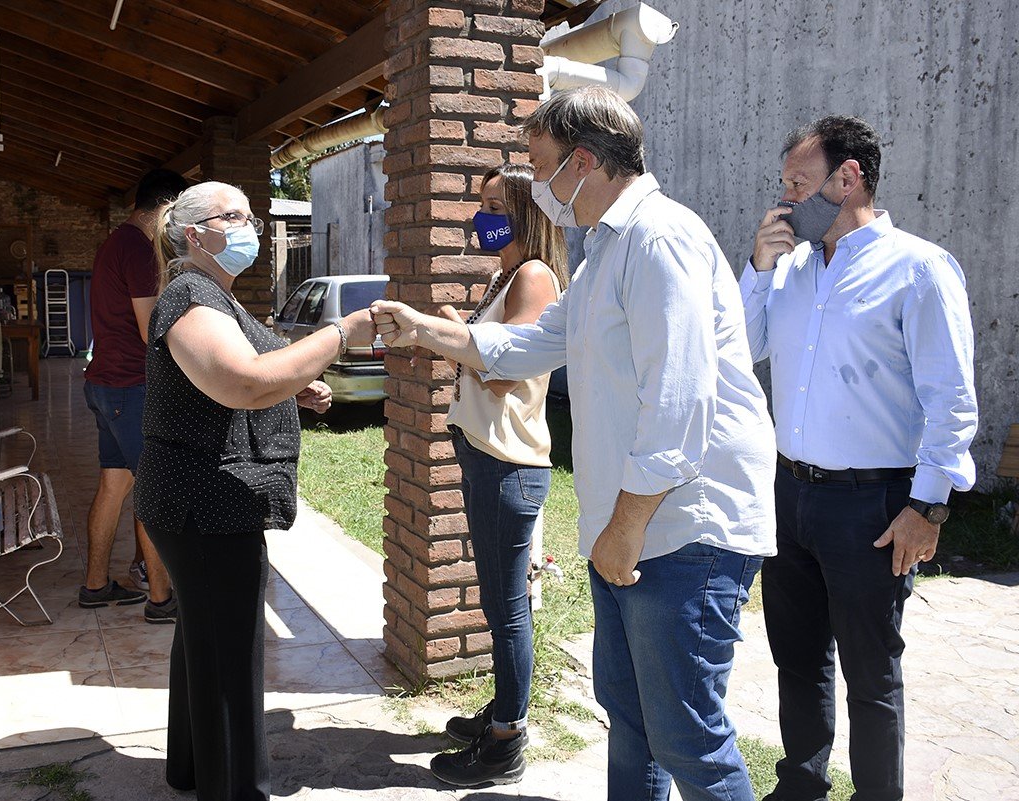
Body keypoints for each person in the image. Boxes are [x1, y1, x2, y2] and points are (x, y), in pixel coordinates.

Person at [372, 85, 777, 801]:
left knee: (687, 736)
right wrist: (426, 330)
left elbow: (679, 401)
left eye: (542, 162)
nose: (536, 184)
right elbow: (532, 343)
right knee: (631, 719)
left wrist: (624, 528)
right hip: (629, 532)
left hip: (682, 531)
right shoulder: (600, 257)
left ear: (583, 162)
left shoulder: (661, 238)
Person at [742, 116, 977, 801]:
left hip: (871, 506)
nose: (785, 199)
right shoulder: (785, 268)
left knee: (872, 675)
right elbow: (740, 346)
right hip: (789, 493)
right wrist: (757, 267)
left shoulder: (919, 268)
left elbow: (952, 398)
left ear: (849, 180)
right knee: (797, 657)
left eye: (799, 183)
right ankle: (801, 785)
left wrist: (927, 505)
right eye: (783, 184)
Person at [133, 181, 377, 800]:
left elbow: (234, 372)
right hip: (203, 502)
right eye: (235, 216)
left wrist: (293, 387)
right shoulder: (191, 293)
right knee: (231, 657)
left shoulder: (213, 295)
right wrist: (340, 335)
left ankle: (191, 768)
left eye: (253, 215)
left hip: (202, 500)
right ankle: (236, 790)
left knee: (203, 638)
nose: (252, 226)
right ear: (196, 233)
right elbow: (238, 381)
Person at [428, 163, 569, 787]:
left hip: (509, 463)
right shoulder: (505, 276)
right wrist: (464, 336)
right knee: (494, 598)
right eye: (480, 204)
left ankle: (508, 735)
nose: (479, 218)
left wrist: (456, 334)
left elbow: (504, 372)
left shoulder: (534, 276)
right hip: (485, 452)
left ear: (524, 214)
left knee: (508, 606)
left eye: (492, 206)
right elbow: (482, 359)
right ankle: (502, 709)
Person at [79, 168, 186, 623]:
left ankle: (95, 585)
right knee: (153, 490)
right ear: (165, 207)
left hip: (104, 382)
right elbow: (150, 331)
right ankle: (161, 598)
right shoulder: (140, 251)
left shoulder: (113, 242)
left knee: (115, 483)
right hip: (131, 388)